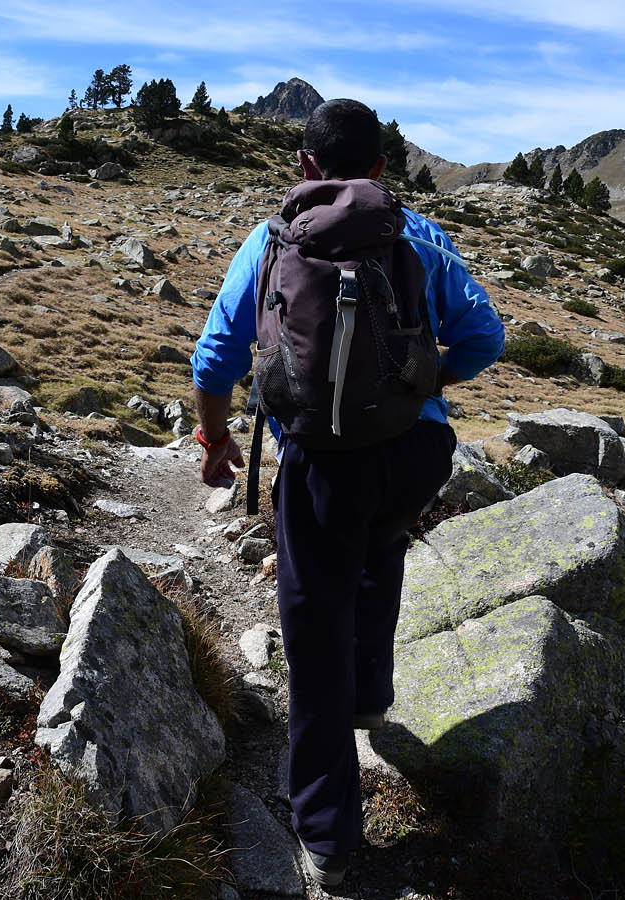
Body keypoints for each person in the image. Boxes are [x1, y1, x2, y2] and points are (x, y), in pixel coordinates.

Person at [189, 98, 504, 886]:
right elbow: (485, 337)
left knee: (312, 626)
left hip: (320, 463)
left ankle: (328, 837)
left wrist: (215, 440)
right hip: (416, 452)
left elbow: (215, 358)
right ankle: (369, 694)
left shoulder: (271, 241)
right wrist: (419, 380)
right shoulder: (419, 237)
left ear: (304, 164)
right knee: (382, 541)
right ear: (382, 167)